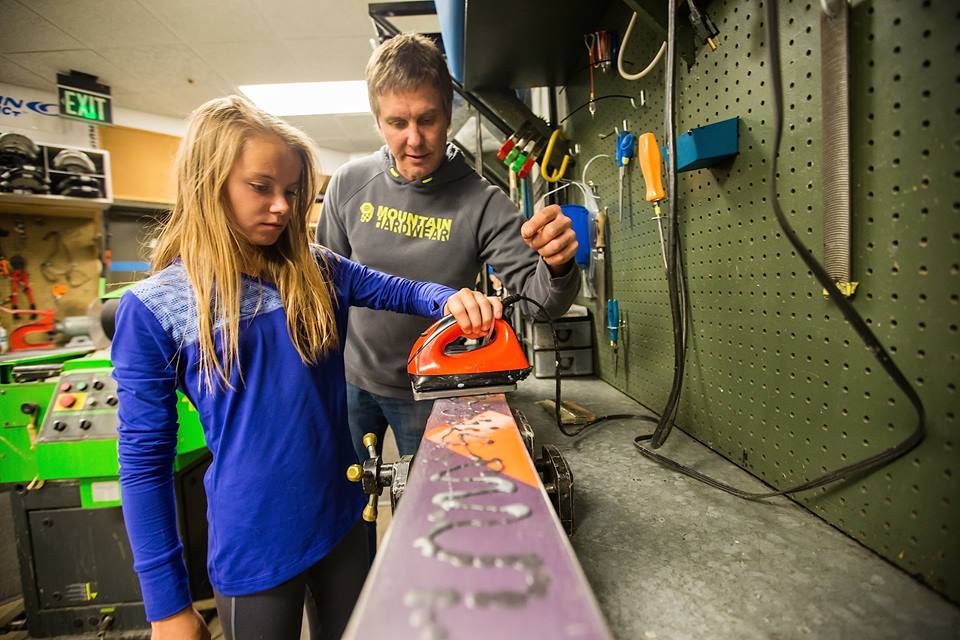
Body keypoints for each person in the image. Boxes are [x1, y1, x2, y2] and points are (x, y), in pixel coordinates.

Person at [111, 95, 503, 640]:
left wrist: (453, 300)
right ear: (208, 182)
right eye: (261, 187)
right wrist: (166, 606)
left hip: (344, 519)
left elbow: (400, 288)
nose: (282, 206)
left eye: (293, 192)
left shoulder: (317, 270)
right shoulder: (155, 308)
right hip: (254, 545)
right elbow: (143, 466)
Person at [317, 33, 581, 461]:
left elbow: (540, 306)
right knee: (347, 500)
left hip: (432, 389)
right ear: (377, 120)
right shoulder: (349, 185)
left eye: (428, 119)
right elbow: (325, 288)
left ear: (449, 112)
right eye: (397, 123)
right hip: (351, 379)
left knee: (430, 506)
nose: (415, 140)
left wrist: (558, 266)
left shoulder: (485, 203)